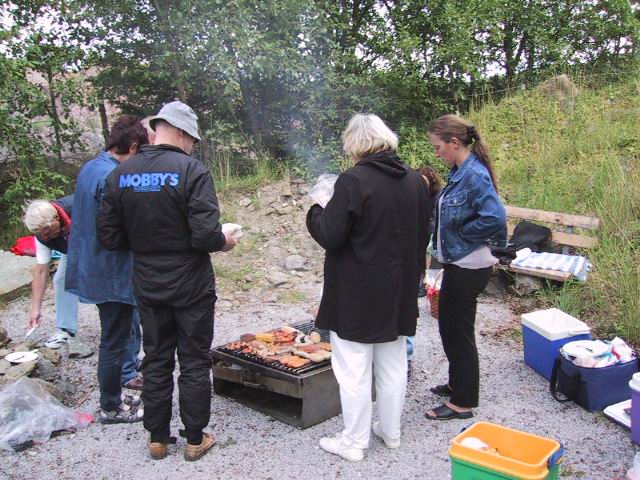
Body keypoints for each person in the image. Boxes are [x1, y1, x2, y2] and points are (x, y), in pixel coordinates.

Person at [97, 101, 237, 462]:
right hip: (191, 283)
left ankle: (157, 439)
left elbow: (109, 238)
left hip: (148, 282)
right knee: (193, 359)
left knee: (156, 358)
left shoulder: (120, 175)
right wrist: (225, 240)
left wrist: (146, 243)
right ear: (181, 133)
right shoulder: (192, 171)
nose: (194, 146)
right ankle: (194, 439)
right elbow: (205, 236)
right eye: (193, 140)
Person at [307, 113, 430, 462]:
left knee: (354, 370)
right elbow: (423, 235)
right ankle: (390, 433)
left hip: (357, 291)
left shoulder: (353, 180)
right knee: (392, 365)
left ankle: (354, 442)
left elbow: (330, 234)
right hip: (400, 288)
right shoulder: (415, 181)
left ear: (354, 145)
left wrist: (317, 208)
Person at [66, 115, 149, 423]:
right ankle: (111, 407)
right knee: (114, 341)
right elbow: (119, 228)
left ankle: (114, 396)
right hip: (111, 271)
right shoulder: (112, 176)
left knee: (116, 336)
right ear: (133, 147)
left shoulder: (90, 167)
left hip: (95, 266)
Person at [424, 114, 506, 421]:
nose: (436, 153)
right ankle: (457, 384)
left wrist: (461, 233)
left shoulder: (475, 175)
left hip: (470, 265)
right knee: (450, 327)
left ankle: (463, 402)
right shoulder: (461, 171)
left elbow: (494, 218)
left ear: (454, 142)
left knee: (458, 332)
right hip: (459, 263)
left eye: (438, 147)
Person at [23, 197, 79, 349]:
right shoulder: (42, 236)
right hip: (71, 250)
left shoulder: (78, 206)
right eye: (40, 233)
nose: (44, 237)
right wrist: (36, 309)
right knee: (61, 280)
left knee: (100, 288)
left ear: (56, 218)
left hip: (98, 245)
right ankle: (66, 330)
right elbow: (41, 271)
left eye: (47, 232)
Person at [407, 166, 444, 374]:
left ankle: (406, 355)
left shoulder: (437, 197)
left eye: (425, 183)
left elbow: (434, 222)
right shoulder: (411, 194)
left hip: (430, 239)